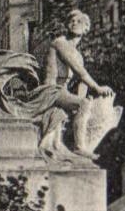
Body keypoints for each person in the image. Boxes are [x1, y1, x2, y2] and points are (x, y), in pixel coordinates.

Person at [37, 9, 112, 159]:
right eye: (71, 21)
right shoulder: (60, 43)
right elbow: (79, 71)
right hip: (51, 90)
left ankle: (75, 146)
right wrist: (97, 88)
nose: (74, 23)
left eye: (78, 21)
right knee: (83, 104)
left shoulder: (78, 55)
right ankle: (79, 147)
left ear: (86, 28)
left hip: (62, 93)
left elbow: (81, 84)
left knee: (84, 103)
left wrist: (83, 100)